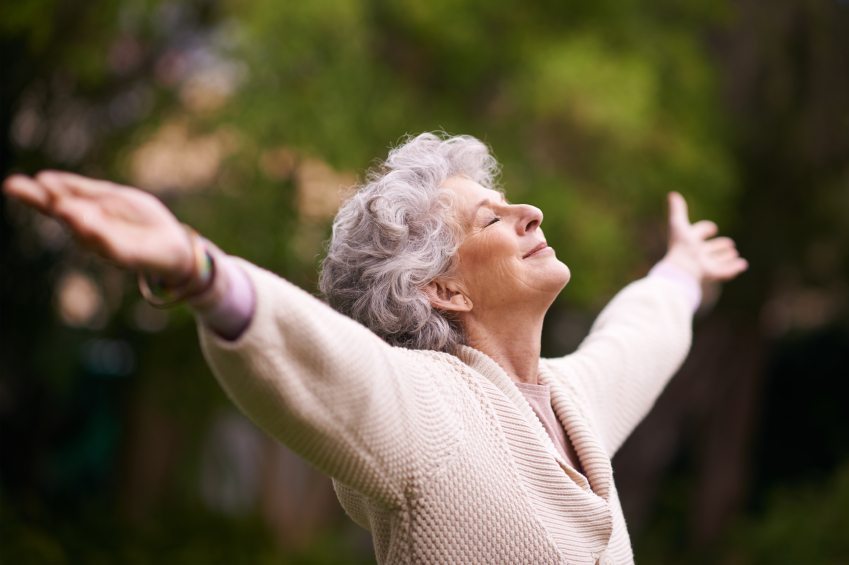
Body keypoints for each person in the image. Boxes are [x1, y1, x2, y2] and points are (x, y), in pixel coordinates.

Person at [3, 133, 747, 564]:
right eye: (492, 217)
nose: (531, 211)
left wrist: (681, 270)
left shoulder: (572, 399)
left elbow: (636, 337)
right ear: (442, 290)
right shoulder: (426, 413)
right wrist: (197, 269)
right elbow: (321, 362)